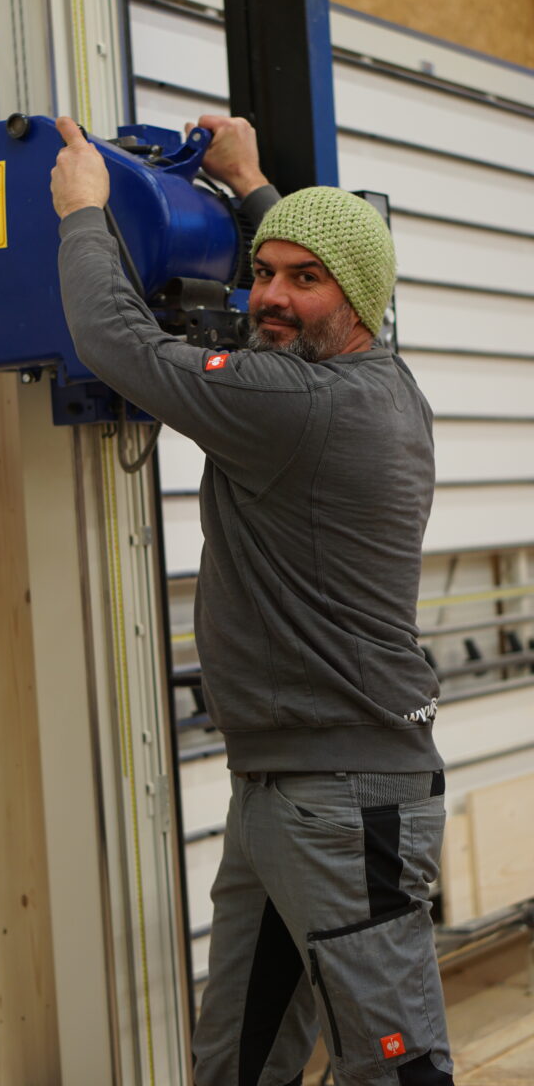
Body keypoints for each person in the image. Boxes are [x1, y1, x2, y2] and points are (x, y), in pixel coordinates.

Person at [50, 113, 453, 1086]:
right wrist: (254, 179)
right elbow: (327, 270)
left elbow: (117, 344)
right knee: (239, 1051)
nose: (268, 295)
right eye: (262, 269)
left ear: (352, 298)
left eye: (299, 280)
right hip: (287, 786)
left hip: (340, 794)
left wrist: (81, 214)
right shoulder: (373, 376)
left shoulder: (294, 404)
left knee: (393, 1063)